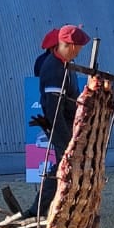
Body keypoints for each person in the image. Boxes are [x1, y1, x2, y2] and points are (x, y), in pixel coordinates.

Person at [29, 23, 89, 216]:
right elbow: (54, 109)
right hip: (59, 124)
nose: (79, 53)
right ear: (70, 45)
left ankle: (47, 206)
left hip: (68, 123)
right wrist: (64, 138)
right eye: (78, 48)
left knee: (64, 165)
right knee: (64, 164)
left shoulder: (66, 65)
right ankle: (39, 208)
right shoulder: (54, 68)